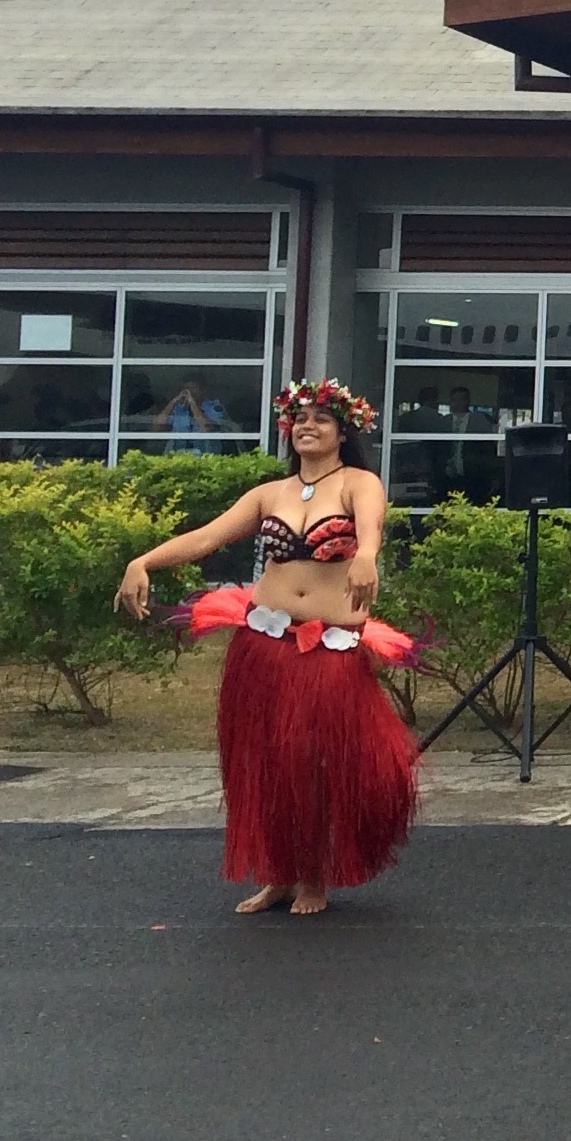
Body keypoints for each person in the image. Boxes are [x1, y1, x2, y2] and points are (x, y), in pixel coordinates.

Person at [115, 377, 418, 917]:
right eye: (300, 419)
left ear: (343, 433)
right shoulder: (269, 495)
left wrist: (366, 555)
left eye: (321, 419)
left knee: (315, 765)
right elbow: (207, 537)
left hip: (327, 650)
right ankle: (277, 875)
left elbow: (370, 526)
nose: (308, 426)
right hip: (264, 643)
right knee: (266, 763)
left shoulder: (358, 483)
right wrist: (144, 561)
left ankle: (314, 878)